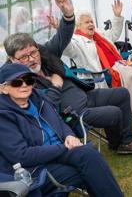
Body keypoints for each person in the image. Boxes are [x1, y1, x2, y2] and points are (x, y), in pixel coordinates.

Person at [3, 0, 132, 154]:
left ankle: (123, 141)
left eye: (33, 52)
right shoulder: (14, 81)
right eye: (24, 56)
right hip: (71, 114)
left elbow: (62, 37)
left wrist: (68, 15)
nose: (32, 59)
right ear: (12, 58)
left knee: (121, 93)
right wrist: (56, 86)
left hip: (84, 95)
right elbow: (45, 108)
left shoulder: (44, 53)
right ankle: (122, 143)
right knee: (113, 112)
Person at [0, 63, 123, 197]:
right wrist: (64, 147)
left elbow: (58, 121)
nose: (24, 85)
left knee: (89, 157)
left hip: (58, 151)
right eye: (17, 82)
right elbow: (21, 156)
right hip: (35, 167)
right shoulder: (3, 115)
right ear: (3, 89)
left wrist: (69, 135)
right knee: (90, 169)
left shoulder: (38, 97)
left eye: (28, 80)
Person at [56, 0, 132, 122]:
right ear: (78, 26)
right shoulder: (76, 41)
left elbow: (113, 34)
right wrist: (62, 31)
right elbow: (66, 47)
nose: (91, 24)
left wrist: (116, 16)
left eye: (91, 21)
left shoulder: (98, 33)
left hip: (120, 63)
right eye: (86, 22)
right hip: (107, 71)